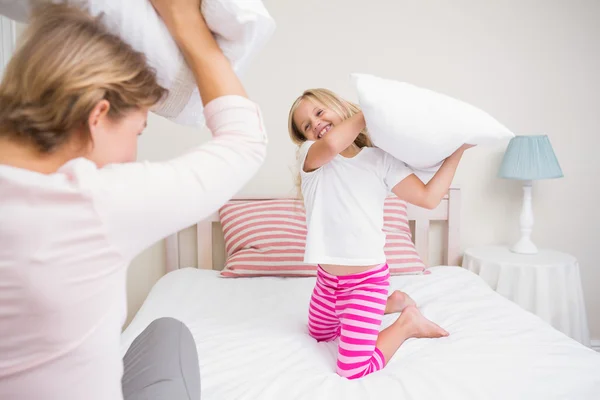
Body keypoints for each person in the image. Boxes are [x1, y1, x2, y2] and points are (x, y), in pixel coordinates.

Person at [0, 0, 267, 399]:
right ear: (98, 114)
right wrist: (187, 25)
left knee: (166, 331)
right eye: (138, 132)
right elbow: (245, 140)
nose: (132, 156)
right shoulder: (91, 203)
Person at [288, 88, 473, 379]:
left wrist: (458, 151)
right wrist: (368, 113)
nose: (315, 125)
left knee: (352, 370)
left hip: (366, 282)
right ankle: (393, 302)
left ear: (339, 107)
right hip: (327, 281)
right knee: (320, 334)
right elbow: (333, 144)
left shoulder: (379, 160)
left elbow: (428, 198)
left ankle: (407, 322)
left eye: (319, 113)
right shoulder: (310, 157)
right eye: (306, 127)